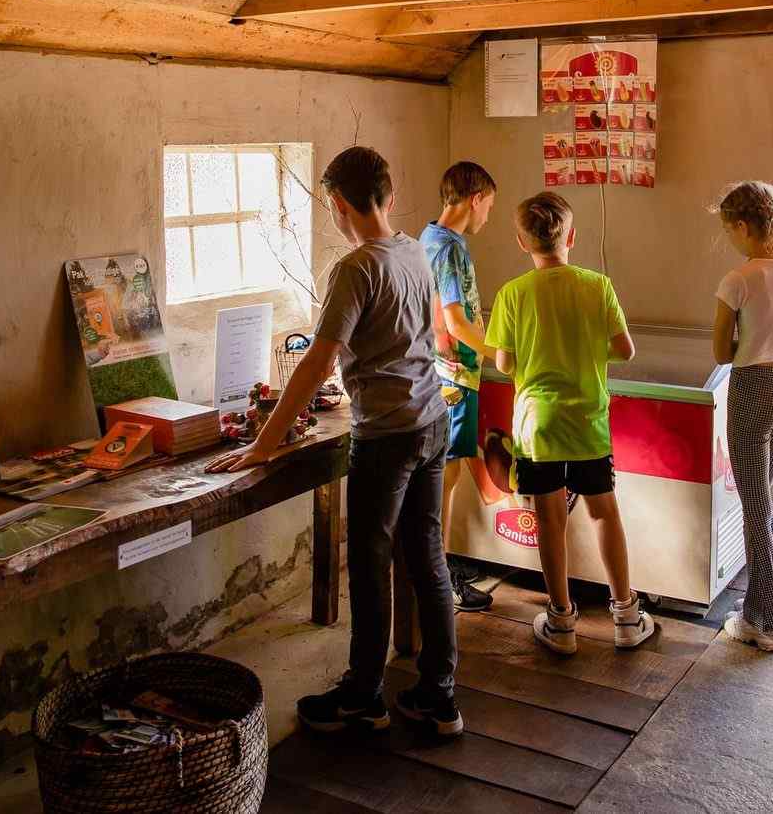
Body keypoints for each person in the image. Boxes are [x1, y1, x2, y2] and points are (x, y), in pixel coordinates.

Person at [207, 146, 461, 736]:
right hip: (430, 422)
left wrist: (263, 445)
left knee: (370, 566)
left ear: (339, 204)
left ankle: (363, 698)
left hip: (387, 437)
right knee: (427, 558)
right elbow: (410, 337)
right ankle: (439, 695)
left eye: (332, 208)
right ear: (389, 198)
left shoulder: (356, 268)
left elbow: (316, 362)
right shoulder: (414, 252)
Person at [484, 191, 656, 654]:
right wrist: (583, 352)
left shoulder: (512, 293)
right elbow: (625, 350)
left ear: (522, 242)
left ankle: (561, 622)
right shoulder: (597, 285)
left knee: (549, 519)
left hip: (537, 427)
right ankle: (625, 615)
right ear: (572, 237)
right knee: (604, 512)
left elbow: (503, 362)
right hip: (587, 424)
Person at [710, 180, 773, 653]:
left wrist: (742, 337)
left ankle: (763, 623)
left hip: (751, 392)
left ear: (743, 227)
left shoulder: (739, 279)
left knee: (752, 506)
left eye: (729, 230)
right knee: (759, 501)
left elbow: (721, 352)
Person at [420, 161, 500, 613]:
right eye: (488, 205)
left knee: (444, 479)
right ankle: (442, 577)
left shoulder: (427, 238)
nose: (488, 215)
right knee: (445, 481)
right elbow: (455, 319)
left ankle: (440, 566)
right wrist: (497, 353)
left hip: (440, 371)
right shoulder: (450, 248)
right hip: (454, 377)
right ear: (475, 199)